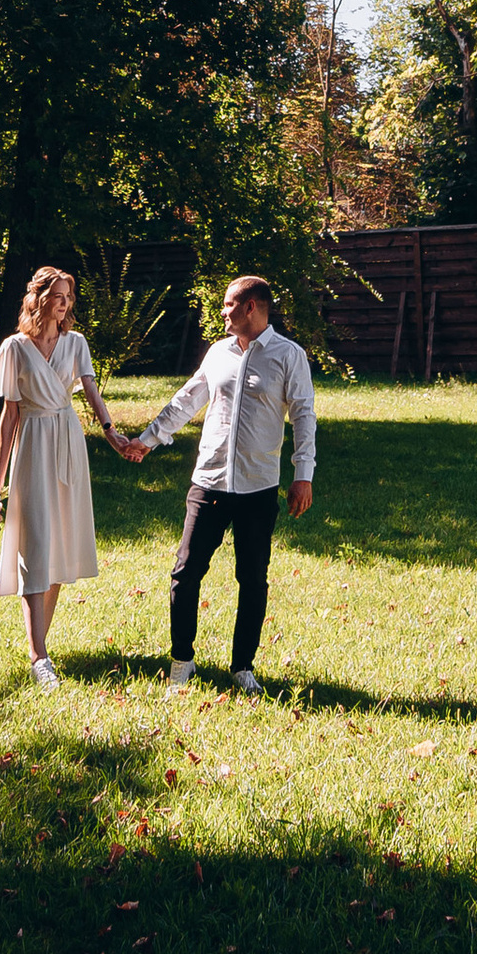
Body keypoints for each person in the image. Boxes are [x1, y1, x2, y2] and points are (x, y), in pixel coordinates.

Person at [117, 274, 315, 696]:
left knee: (253, 578)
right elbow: (187, 400)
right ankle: (182, 661)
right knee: (184, 573)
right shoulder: (218, 353)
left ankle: (242, 666)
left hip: (258, 487)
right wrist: (147, 441)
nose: (222, 312)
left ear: (251, 307)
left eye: (228, 305)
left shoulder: (288, 356)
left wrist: (303, 475)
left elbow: (304, 417)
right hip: (208, 483)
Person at [0, 265, 126, 692]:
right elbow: (9, 415)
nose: (64, 304)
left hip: (67, 442)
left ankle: (41, 643)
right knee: (37, 544)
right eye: (57, 295)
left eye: (68, 297)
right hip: (32, 442)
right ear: (39, 297)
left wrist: (110, 431)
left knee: (60, 547)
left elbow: (90, 388)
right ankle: (38, 656)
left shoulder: (76, 343)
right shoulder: (15, 348)